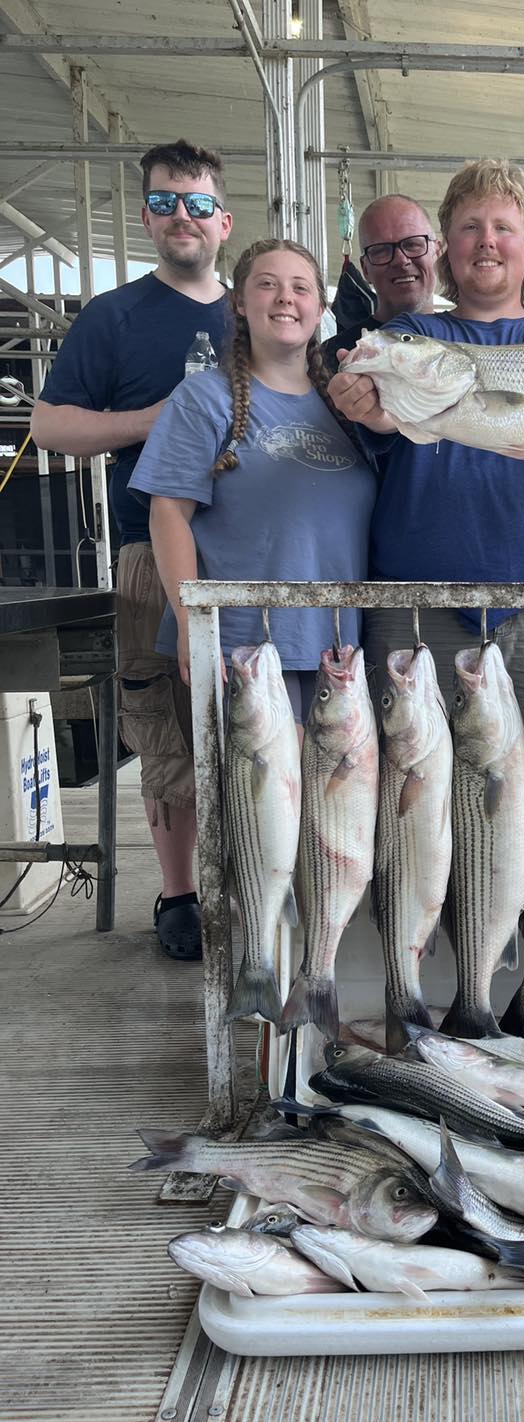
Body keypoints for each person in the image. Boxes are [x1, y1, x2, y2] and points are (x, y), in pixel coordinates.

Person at [30, 139, 233, 961]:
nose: (179, 216)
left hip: (258, 557)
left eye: (193, 201)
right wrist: (156, 420)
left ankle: (257, 882)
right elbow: (50, 424)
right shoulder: (112, 316)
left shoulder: (257, 309)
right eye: (161, 202)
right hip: (149, 550)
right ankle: (180, 896)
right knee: (164, 732)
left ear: (224, 218)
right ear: (145, 216)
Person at [327, 159, 524, 704]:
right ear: (446, 247)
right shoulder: (411, 333)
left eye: (502, 228)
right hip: (422, 611)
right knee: (422, 786)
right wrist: (367, 407)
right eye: (470, 227)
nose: (486, 241)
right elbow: (387, 418)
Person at [127, 238, 377, 728]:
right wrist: (190, 621)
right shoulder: (204, 397)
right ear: (239, 303)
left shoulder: (347, 407)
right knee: (256, 804)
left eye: (300, 288)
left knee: (330, 805)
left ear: (320, 308)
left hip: (338, 650)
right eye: (267, 284)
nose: (285, 297)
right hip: (243, 653)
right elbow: (168, 512)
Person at [323, 194, 441, 363]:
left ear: (437, 252)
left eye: (413, 244)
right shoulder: (329, 359)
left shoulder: (470, 342)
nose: (401, 260)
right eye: (381, 250)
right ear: (365, 269)